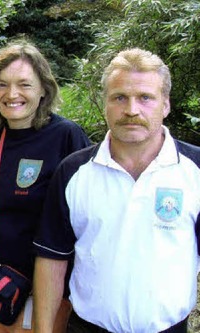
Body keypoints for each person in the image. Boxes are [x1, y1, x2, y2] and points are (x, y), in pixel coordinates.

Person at [33, 48, 200, 333]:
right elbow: (52, 259)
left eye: (145, 98)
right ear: (106, 103)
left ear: (166, 104)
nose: (132, 110)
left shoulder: (195, 169)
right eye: (120, 97)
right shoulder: (74, 171)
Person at [0, 41, 91, 333]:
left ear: (44, 89)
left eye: (24, 84)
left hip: (43, 294)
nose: (12, 94)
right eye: (2, 85)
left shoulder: (67, 137)